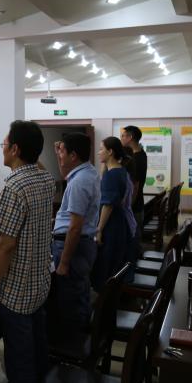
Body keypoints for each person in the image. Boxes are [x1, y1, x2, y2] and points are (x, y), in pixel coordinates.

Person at [0, 121, 55, 383]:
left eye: (4, 143)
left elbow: (5, 245)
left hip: (16, 290)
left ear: (15, 149)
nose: (2, 148)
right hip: (39, 283)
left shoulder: (14, 187)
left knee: (20, 363)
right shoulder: (46, 179)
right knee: (37, 355)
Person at [52, 132, 100, 333]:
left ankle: (75, 340)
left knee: (71, 297)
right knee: (77, 292)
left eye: (62, 151)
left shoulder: (80, 181)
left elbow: (75, 226)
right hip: (80, 244)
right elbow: (64, 172)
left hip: (73, 246)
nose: (59, 155)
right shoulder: (87, 172)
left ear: (73, 156)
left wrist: (64, 262)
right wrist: (58, 153)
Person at [93, 137, 137, 290]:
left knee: (107, 267)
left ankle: (105, 299)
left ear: (110, 152)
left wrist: (99, 230)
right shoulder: (121, 170)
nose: (98, 152)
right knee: (115, 264)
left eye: (101, 149)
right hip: (120, 223)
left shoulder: (112, 175)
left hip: (112, 225)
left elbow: (108, 205)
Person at [120, 125, 148, 244]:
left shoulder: (136, 158)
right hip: (137, 204)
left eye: (123, 136)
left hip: (134, 207)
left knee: (133, 242)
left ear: (130, 137)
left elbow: (135, 185)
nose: (121, 139)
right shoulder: (140, 154)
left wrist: (128, 207)